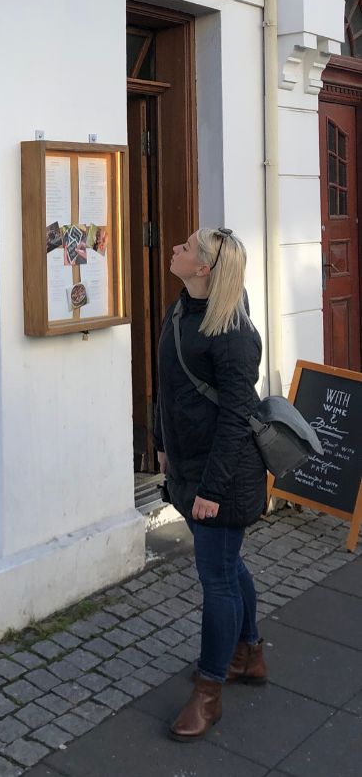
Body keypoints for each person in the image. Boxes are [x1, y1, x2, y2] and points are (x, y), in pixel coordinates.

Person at [153, 227, 268, 743]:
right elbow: (168, 386)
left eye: (186, 246)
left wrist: (212, 489)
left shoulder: (234, 333)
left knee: (217, 576)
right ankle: (249, 653)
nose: (175, 247)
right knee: (227, 563)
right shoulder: (181, 312)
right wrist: (160, 444)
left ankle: (210, 690)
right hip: (188, 467)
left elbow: (236, 419)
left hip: (222, 475)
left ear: (203, 268)